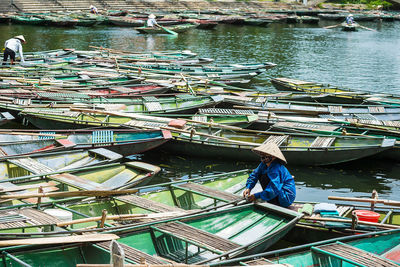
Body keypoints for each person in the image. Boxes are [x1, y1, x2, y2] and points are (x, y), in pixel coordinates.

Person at [243, 142, 296, 208]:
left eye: (266, 156)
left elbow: (274, 188)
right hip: (276, 193)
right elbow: (254, 174)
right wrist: (248, 188)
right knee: (261, 175)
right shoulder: (263, 164)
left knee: (265, 177)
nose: (263, 158)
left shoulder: (276, 168)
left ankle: (270, 199)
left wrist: (256, 196)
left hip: (285, 197)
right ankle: (268, 197)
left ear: (273, 157)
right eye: (263, 156)